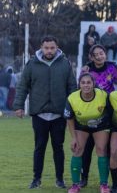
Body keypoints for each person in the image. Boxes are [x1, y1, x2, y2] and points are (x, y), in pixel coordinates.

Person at [13, 36, 77, 189]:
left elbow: (72, 87)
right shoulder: (31, 64)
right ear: (41, 48)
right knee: (39, 147)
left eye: (52, 48)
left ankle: (60, 180)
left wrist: (73, 109)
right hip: (39, 113)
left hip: (59, 114)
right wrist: (19, 106)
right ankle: (36, 179)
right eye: (46, 48)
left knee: (58, 147)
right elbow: (23, 86)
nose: (49, 51)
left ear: (57, 48)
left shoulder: (65, 64)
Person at [79, 45, 117, 187]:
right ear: (91, 57)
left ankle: (105, 180)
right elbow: (81, 88)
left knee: (105, 149)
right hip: (90, 111)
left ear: (105, 54)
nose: (99, 56)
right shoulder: (87, 70)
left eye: (101, 53)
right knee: (87, 148)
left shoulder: (113, 67)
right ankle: (84, 178)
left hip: (108, 112)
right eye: (96, 54)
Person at [64, 73, 111, 193]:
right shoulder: (72, 98)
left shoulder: (102, 95)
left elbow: (111, 111)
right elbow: (69, 119)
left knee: (101, 149)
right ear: (79, 84)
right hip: (82, 126)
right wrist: (73, 138)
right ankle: (75, 185)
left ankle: (104, 185)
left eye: (89, 82)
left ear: (93, 84)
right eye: (83, 83)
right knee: (77, 150)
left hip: (100, 125)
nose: (86, 85)